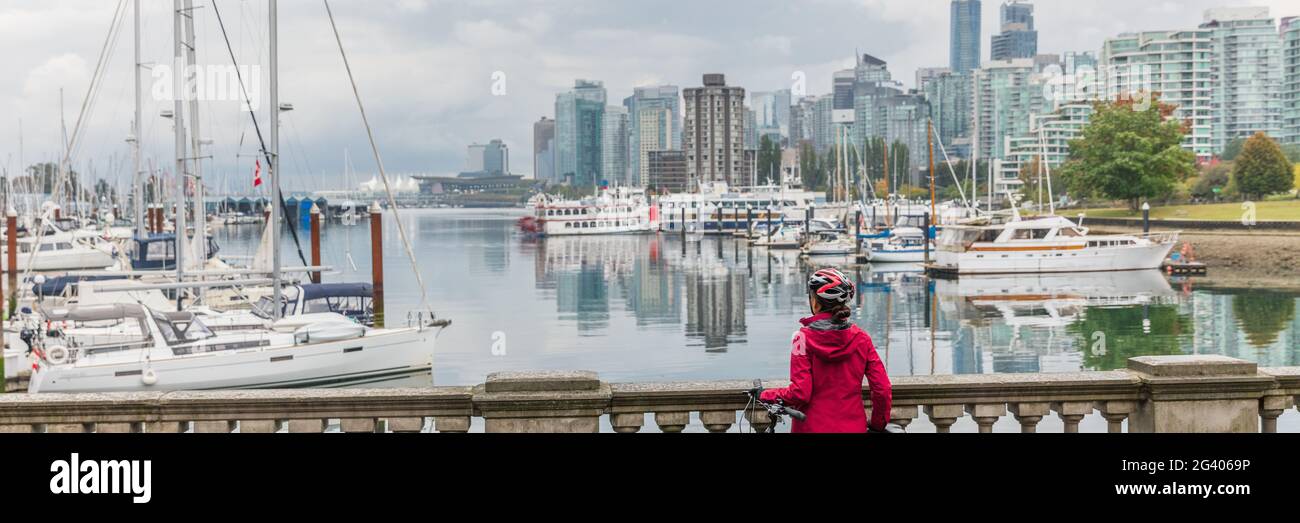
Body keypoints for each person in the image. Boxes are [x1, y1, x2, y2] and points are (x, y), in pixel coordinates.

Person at [759, 267, 892, 433]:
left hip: (810, 428)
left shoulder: (801, 339)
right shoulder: (862, 338)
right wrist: (878, 424)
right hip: (853, 428)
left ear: (815, 301)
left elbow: (800, 393)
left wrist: (765, 395)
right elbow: (882, 389)